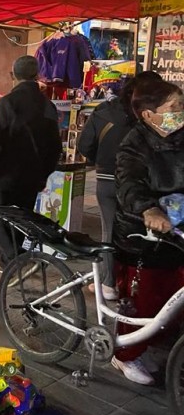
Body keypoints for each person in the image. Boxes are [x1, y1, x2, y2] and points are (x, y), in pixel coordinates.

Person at [111, 75, 184, 385]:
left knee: (174, 300)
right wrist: (149, 209)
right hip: (143, 238)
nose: (181, 112)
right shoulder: (133, 145)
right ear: (149, 114)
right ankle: (125, 355)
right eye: (176, 107)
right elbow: (128, 185)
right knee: (144, 302)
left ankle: (162, 343)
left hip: (178, 235)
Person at [0, 56, 62, 272]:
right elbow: (55, 148)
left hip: (6, 173)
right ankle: (8, 264)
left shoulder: (8, 102)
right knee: (19, 219)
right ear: (36, 75)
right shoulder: (47, 106)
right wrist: (43, 174)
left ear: (13, 75)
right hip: (32, 175)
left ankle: (17, 258)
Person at [77, 77, 138, 301]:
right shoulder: (149, 115)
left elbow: (85, 145)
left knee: (109, 230)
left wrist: (100, 161)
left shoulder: (104, 111)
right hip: (139, 183)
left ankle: (109, 283)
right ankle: (126, 281)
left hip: (108, 178)